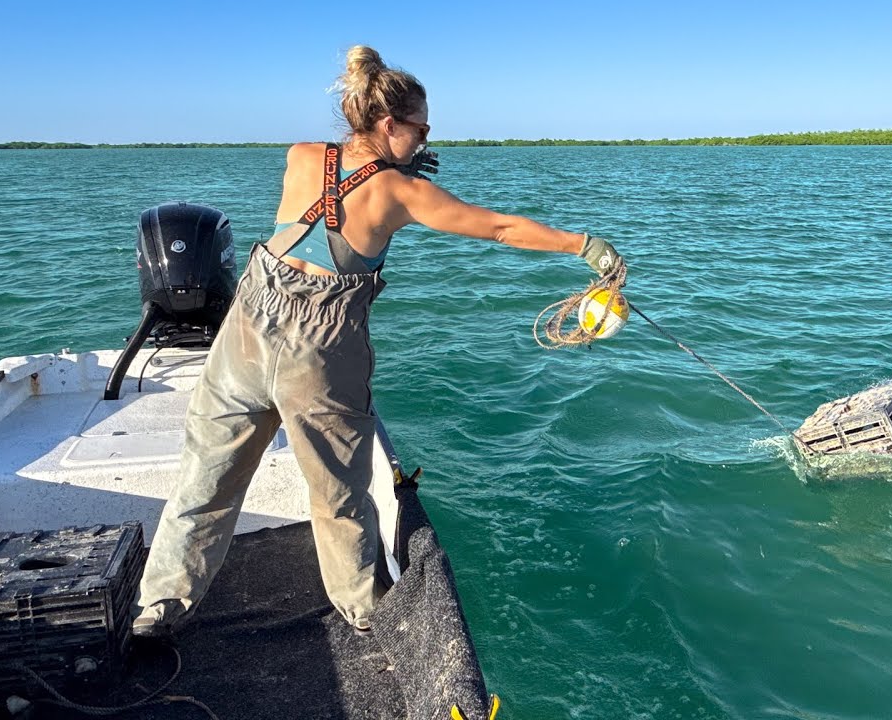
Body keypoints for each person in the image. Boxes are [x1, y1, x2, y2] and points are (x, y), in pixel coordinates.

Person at [133, 45, 624, 637]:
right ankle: (366, 612)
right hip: (319, 344)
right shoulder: (404, 194)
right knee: (338, 493)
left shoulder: (301, 156)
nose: (426, 138)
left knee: (203, 476)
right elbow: (499, 226)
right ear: (390, 124)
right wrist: (585, 246)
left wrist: (398, 168)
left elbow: (342, 184)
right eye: (420, 129)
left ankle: (160, 607)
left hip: (245, 328)